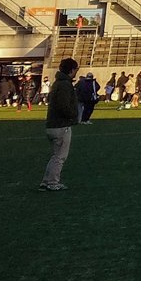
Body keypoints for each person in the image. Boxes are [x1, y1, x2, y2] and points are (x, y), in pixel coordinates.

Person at [40, 58, 79, 192]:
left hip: (52, 124)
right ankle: (52, 182)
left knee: (55, 155)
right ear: (72, 70)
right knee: (60, 156)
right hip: (61, 125)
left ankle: (46, 181)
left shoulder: (57, 83)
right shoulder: (65, 85)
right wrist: (73, 115)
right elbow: (64, 105)